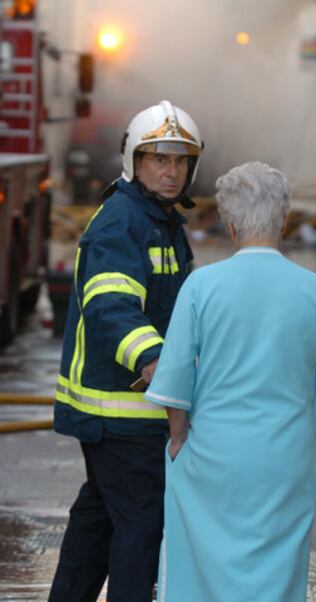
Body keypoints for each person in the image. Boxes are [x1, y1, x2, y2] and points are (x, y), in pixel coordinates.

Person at [144, 162, 316, 602]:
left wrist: (178, 435)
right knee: (279, 567)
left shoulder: (201, 286)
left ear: (228, 223)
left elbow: (175, 376)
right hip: (286, 458)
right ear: (284, 221)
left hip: (213, 456)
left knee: (199, 562)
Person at [49, 100, 203, 602]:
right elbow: (113, 308)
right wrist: (158, 363)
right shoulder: (123, 222)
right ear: (134, 161)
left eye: (180, 160)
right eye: (159, 158)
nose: (171, 171)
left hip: (121, 411)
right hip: (122, 412)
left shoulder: (160, 221)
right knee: (140, 528)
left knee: (99, 518)